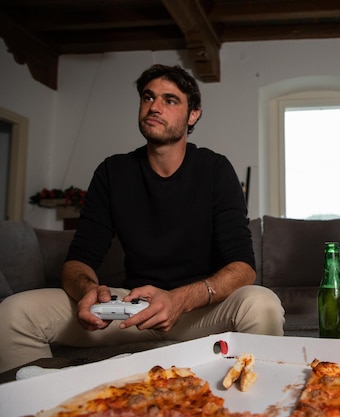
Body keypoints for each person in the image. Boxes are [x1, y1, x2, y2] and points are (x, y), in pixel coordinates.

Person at [0, 64, 284, 372]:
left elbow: (243, 268)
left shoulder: (215, 170)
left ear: (193, 115)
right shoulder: (113, 172)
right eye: (148, 97)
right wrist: (87, 291)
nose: (155, 106)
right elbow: (78, 260)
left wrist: (181, 299)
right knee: (14, 314)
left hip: (199, 309)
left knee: (262, 304)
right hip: (131, 309)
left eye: (170, 100)